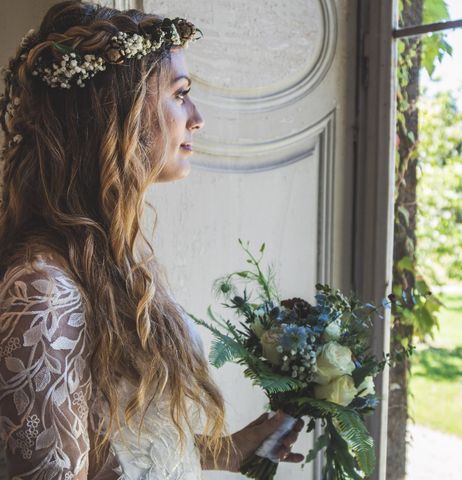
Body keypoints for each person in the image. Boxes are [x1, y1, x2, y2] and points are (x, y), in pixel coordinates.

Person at [0, 1, 304, 478]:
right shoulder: (42, 291)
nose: (197, 117)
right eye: (180, 94)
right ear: (116, 113)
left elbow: (118, 445)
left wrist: (230, 449)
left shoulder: (110, 258)